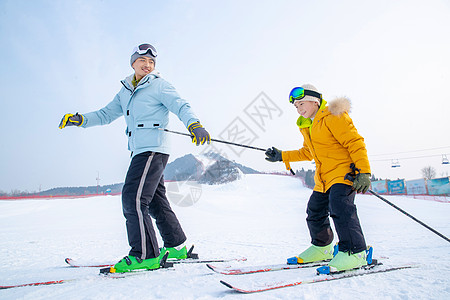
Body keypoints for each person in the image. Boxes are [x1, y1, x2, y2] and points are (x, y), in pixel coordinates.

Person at [59, 43, 210, 273]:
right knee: (155, 200)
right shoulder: (125, 91)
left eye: (151, 62)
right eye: (143, 61)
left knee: (133, 198)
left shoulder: (159, 85)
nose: (147, 65)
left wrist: (194, 124)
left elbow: (181, 105)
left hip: (153, 149)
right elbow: (105, 114)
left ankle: (144, 255)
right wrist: (81, 120)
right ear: (133, 63)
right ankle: (176, 245)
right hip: (141, 150)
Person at [265, 84, 372, 272]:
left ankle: (356, 253)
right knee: (314, 211)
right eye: (296, 107)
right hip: (324, 178)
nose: (298, 109)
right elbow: (308, 152)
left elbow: (355, 142)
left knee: (340, 207)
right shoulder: (309, 125)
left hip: (343, 173)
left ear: (315, 101)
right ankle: (322, 248)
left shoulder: (333, 116)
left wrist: (364, 172)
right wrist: (282, 156)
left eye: (301, 103)